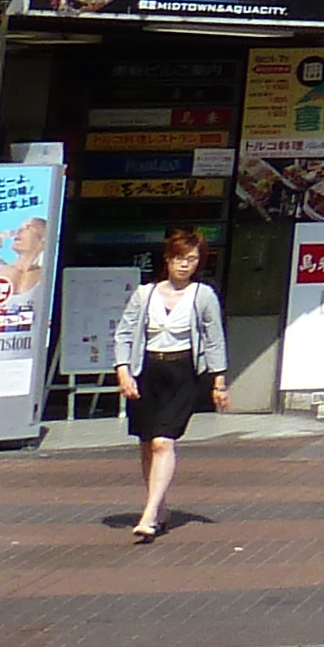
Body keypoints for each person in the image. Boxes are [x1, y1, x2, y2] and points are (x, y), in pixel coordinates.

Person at [116, 229, 225, 543]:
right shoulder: (145, 293)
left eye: (192, 259)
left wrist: (219, 381)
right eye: (179, 258)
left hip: (182, 373)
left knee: (164, 441)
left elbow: (214, 338)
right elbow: (124, 333)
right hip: (147, 369)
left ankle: (149, 514)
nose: (185, 265)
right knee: (147, 442)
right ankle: (160, 507)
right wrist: (124, 371)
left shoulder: (202, 295)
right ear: (167, 259)